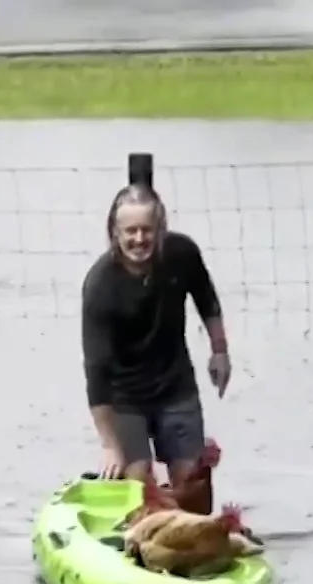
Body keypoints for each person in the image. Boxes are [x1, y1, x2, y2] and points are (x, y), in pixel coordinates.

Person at [80, 183, 231, 516]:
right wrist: (109, 445)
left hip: (176, 388)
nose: (139, 239)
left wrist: (219, 350)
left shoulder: (182, 254)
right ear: (115, 234)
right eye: (130, 231)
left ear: (160, 230)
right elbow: (96, 373)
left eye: (146, 230)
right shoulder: (100, 286)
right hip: (125, 398)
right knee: (139, 489)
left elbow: (206, 298)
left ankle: (187, 532)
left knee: (194, 491)